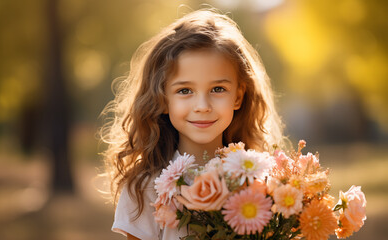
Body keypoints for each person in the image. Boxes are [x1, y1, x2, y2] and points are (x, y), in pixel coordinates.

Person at [100, 9, 285, 240]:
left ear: (238, 96)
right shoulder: (144, 190)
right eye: (184, 91)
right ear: (163, 99)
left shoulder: (263, 183)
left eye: (218, 89)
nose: (202, 106)